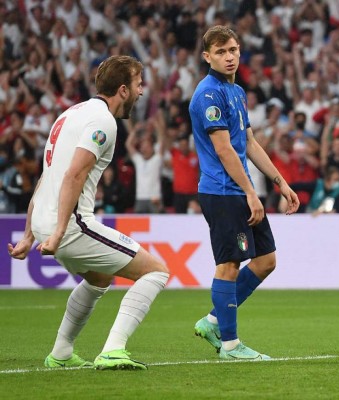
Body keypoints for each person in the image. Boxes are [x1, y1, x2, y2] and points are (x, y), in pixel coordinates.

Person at [7, 55, 170, 370]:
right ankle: (112, 350)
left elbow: (48, 175)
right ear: (122, 89)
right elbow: (74, 175)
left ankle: (61, 353)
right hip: (70, 225)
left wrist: (30, 233)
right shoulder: (104, 121)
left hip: (45, 220)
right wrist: (57, 232)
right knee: (156, 271)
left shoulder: (70, 114)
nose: (141, 92)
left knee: (99, 278)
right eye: (138, 85)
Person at [188, 26, 299, 360]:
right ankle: (231, 346)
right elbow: (224, 150)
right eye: (221, 52)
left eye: (234, 49)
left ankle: (212, 321)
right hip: (222, 192)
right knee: (229, 264)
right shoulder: (208, 93)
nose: (230, 56)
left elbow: (248, 143)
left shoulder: (236, 92)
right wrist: (251, 191)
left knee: (266, 261)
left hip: (240, 190)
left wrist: (280, 181)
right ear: (207, 56)